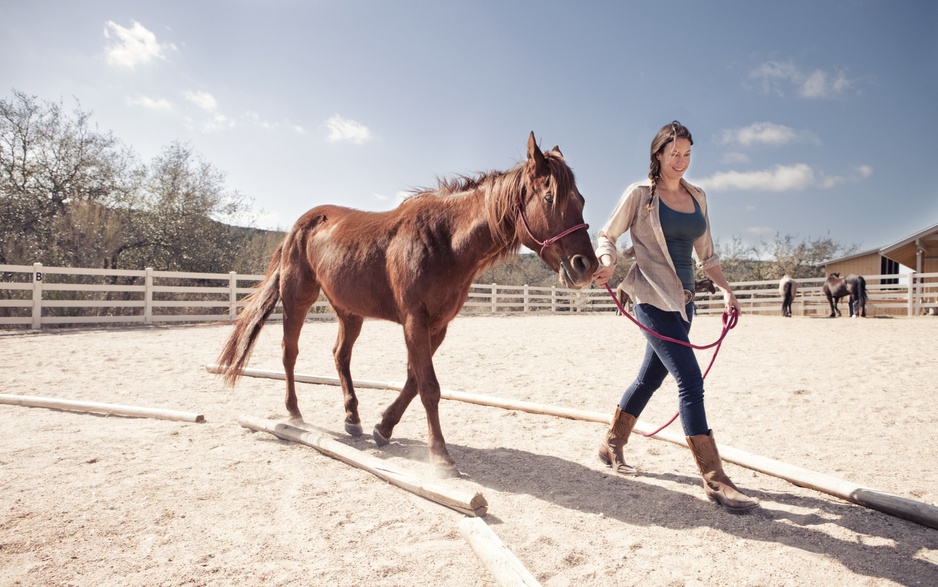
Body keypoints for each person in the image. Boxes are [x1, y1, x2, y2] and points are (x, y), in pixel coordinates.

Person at [592, 121, 757, 513]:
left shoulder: (698, 196)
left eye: (687, 153)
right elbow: (607, 235)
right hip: (650, 297)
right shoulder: (640, 195)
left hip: (684, 303)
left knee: (649, 377)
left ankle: (611, 444)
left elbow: (708, 255)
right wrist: (608, 262)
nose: (681, 160)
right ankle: (715, 479)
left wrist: (726, 289)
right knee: (690, 379)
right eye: (673, 153)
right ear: (658, 155)